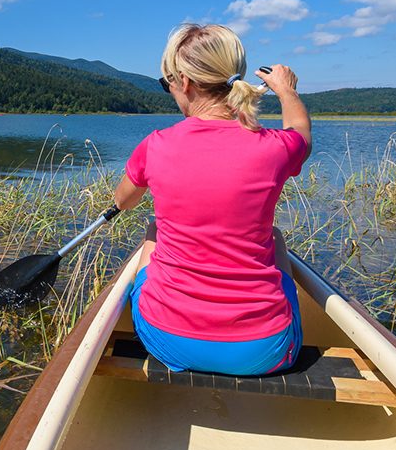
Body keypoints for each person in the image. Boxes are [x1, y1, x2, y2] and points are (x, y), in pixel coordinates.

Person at [112, 23, 312, 376]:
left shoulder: (155, 145)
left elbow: (123, 201)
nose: (171, 90)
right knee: (275, 237)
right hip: (264, 351)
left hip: (164, 338)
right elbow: (302, 136)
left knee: (153, 231)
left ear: (185, 83)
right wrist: (285, 91)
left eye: (167, 82)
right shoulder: (276, 147)